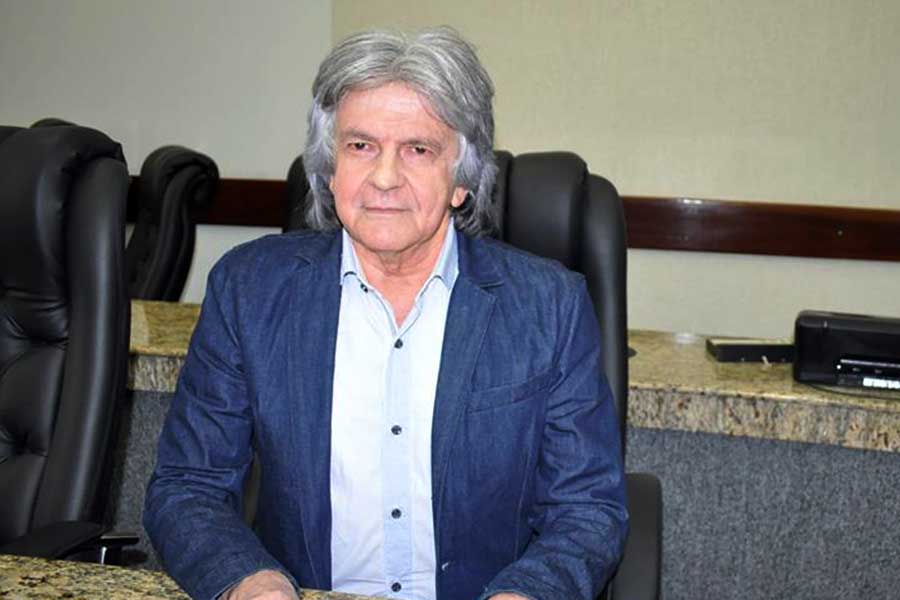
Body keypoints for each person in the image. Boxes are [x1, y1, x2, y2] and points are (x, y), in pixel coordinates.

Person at [144, 27, 628, 600]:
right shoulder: (249, 290)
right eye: (361, 146)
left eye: (418, 150)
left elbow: (587, 507)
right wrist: (249, 581)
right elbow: (188, 485)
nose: (384, 177)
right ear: (330, 170)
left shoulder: (548, 306)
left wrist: (526, 594)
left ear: (461, 181)